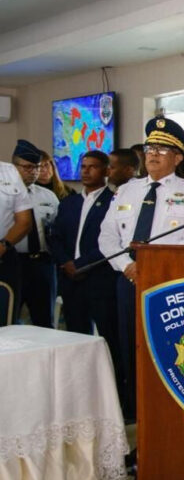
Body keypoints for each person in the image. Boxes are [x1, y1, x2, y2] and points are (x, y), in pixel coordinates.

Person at [99, 117, 184, 419]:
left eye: (162, 149)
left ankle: (166, 412)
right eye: (150, 148)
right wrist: (127, 266)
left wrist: (152, 267)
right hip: (129, 281)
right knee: (129, 346)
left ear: (178, 157)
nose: (153, 154)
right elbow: (107, 236)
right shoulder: (127, 191)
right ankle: (135, 411)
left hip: (167, 284)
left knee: (166, 350)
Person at [50, 151, 120, 382]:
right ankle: (78, 382)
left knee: (109, 336)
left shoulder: (114, 202)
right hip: (71, 280)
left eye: (93, 167)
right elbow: (55, 237)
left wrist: (82, 264)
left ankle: (113, 385)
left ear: (106, 171)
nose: (86, 171)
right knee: (75, 336)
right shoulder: (69, 203)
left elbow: (112, 241)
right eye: (83, 166)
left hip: (99, 279)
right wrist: (66, 263)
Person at [12, 140, 59, 327]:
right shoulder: (4, 194)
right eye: (27, 167)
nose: (33, 172)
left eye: (37, 167)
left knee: (44, 320)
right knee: (8, 317)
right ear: (14, 167)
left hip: (42, 264)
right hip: (11, 262)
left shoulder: (48, 196)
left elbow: (57, 230)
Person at [0, 157, 32, 326]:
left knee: (5, 322)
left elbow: (25, 221)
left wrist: (3, 246)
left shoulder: (9, 172)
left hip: (3, 256)